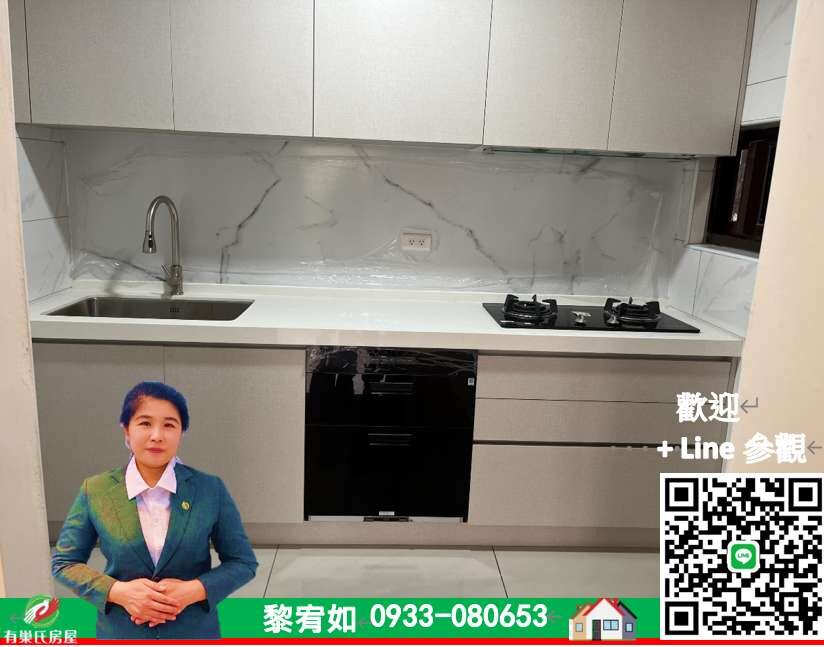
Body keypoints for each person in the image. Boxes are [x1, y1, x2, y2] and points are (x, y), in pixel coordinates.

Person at [51, 381, 258, 639]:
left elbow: (243, 562)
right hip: (121, 633)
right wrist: (118, 592)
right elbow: (65, 562)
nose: (157, 435)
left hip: (193, 633)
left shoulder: (209, 489)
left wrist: (193, 590)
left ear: (181, 433)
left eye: (169, 425)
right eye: (145, 423)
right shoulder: (96, 490)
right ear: (126, 430)